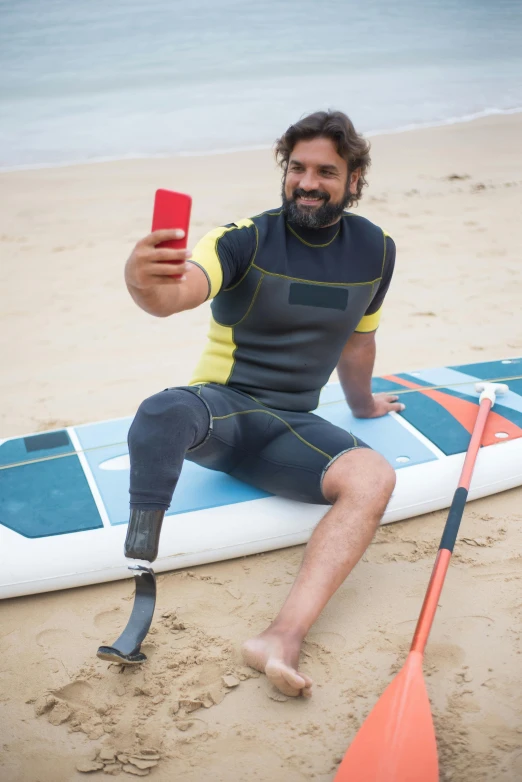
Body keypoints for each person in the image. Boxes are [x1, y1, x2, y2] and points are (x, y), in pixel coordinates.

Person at [123, 110, 403, 698]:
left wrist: (363, 404)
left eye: (326, 170)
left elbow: (360, 339)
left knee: (374, 475)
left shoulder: (376, 250)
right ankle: (140, 557)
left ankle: (281, 636)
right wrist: (144, 282)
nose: (307, 182)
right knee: (162, 411)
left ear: (354, 180)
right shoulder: (241, 239)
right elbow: (177, 292)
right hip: (224, 411)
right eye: (296, 167)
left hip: (294, 425)